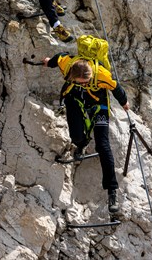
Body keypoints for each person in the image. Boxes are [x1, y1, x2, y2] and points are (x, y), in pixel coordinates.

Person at [43, 53, 129, 213]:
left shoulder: (102, 75)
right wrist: (49, 62)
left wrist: (124, 103)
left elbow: (116, 87)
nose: (86, 83)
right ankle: (81, 144)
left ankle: (112, 191)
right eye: (81, 82)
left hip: (99, 104)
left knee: (103, 146)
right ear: (73, 77)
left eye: (88, 81)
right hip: (75, 100)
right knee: (76, 136)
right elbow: (59, 57)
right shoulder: (69, 66)